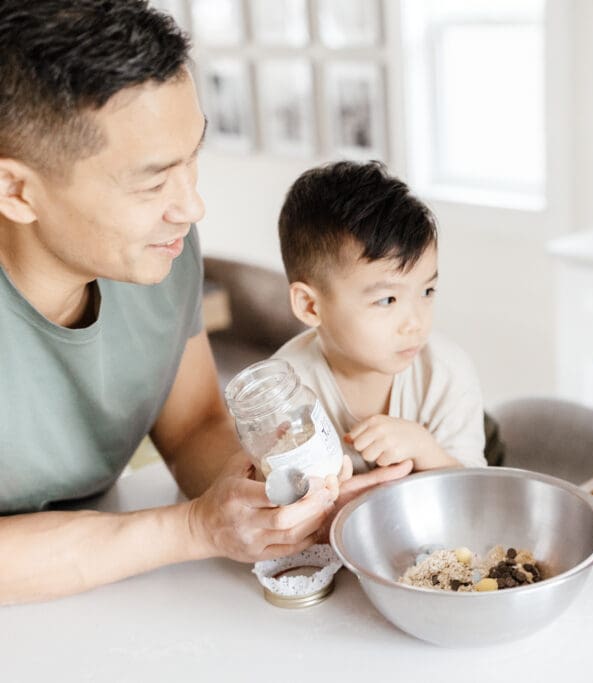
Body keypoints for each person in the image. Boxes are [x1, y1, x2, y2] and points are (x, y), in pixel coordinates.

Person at [0, 0, 406, 605]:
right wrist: (192, 529)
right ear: (16, 191)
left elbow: (192, 427)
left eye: (193, 158)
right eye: (153, 181)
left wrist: (283, 498)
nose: (191, 208)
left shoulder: (162, 254)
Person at [273, 161, 487, 472]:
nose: (416, 323)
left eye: (427, 292)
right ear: (310, 306)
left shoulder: (447, 373)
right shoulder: (284, 394)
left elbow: (476, 495)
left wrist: (425, 451)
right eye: (387, 300)